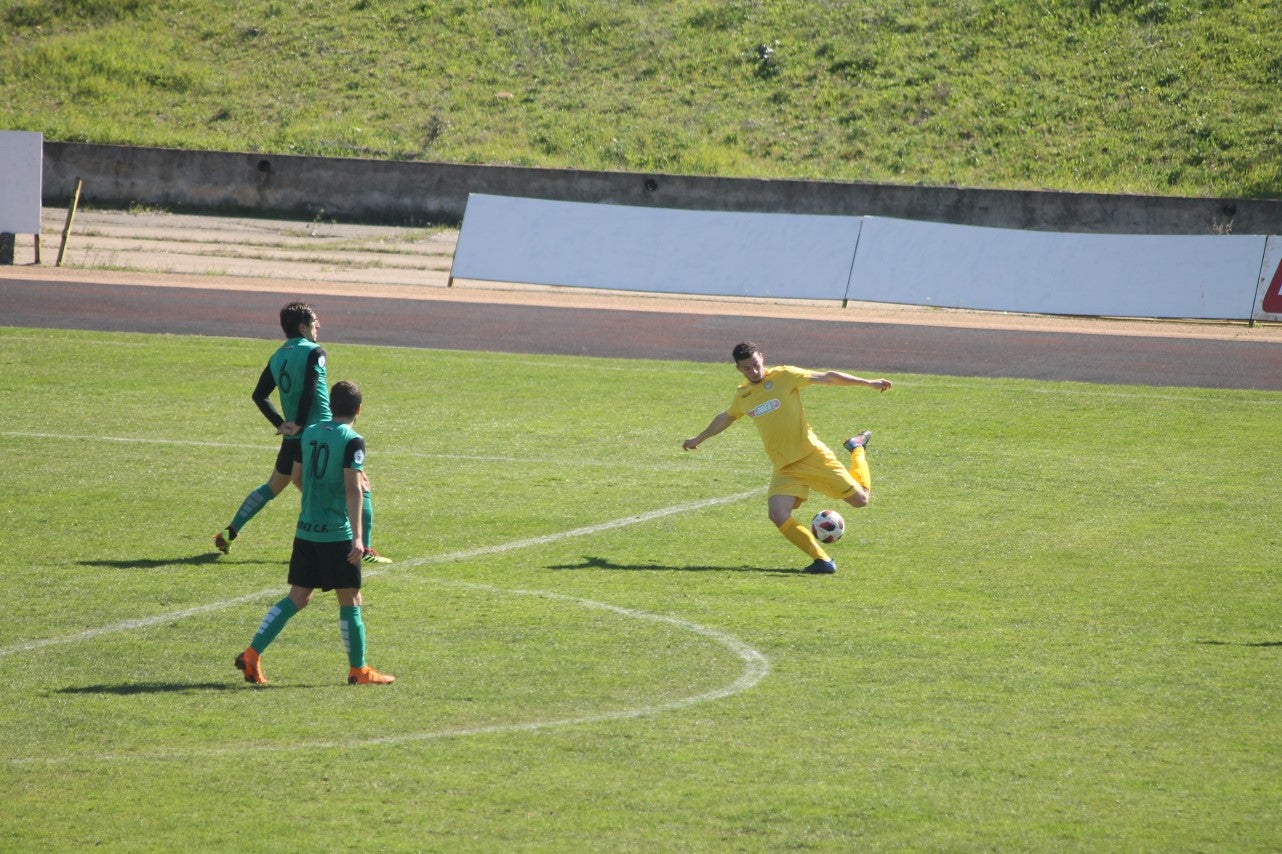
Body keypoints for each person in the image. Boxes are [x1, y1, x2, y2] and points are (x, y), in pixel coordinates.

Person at [682, 340, 892, 574]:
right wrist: (698, 439)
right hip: (784, 466)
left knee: (861, 499)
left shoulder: (785, 376)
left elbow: (828, 377)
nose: (754, 371)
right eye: (747, 368)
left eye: (756, 364)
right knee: (777, 514)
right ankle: (823, 560)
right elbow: (726, 417)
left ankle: (856, 448)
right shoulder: (744, 396)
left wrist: (869, 383)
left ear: (762, 357)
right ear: (738, 369)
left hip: (810, 456)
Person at [236, 380, 396, 685]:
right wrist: (359, 539)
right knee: (351, 600)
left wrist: (317, 500)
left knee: (297, 597)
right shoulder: (353, 441)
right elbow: (353, 490)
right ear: (358, 410)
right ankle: (358, 670)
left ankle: (252, 654)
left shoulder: (309, 433)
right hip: (335, 534)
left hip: (306, 530)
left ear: (330, 405)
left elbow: (296, 477)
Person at [213, 301, 391, 564]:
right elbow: (310, 388)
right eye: (314, 321)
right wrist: (297, 422)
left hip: (295, 437)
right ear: (302, 326)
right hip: (321, 432)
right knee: (360, 485)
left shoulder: (278, 356)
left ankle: (230, 531)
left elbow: (259, 394)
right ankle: (364, 550)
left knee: (274, 485)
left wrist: (281, 423)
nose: (318, 325)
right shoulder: (314, 352)